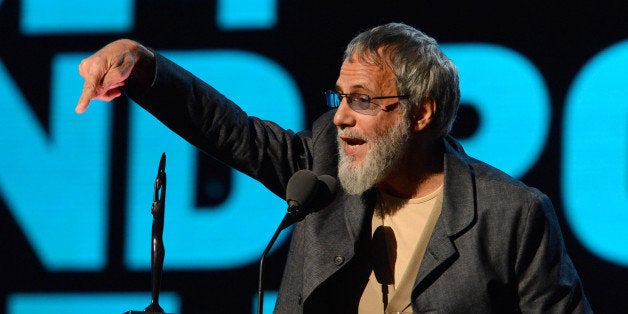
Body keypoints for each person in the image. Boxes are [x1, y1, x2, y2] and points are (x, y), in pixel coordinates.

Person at [76, 22, 591, 313]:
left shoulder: (512, 216)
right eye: (340, 96)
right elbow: (232, 131)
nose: (341, 117)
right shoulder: (327, 161)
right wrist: (141, 65)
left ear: (422, 113)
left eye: (363, 100)